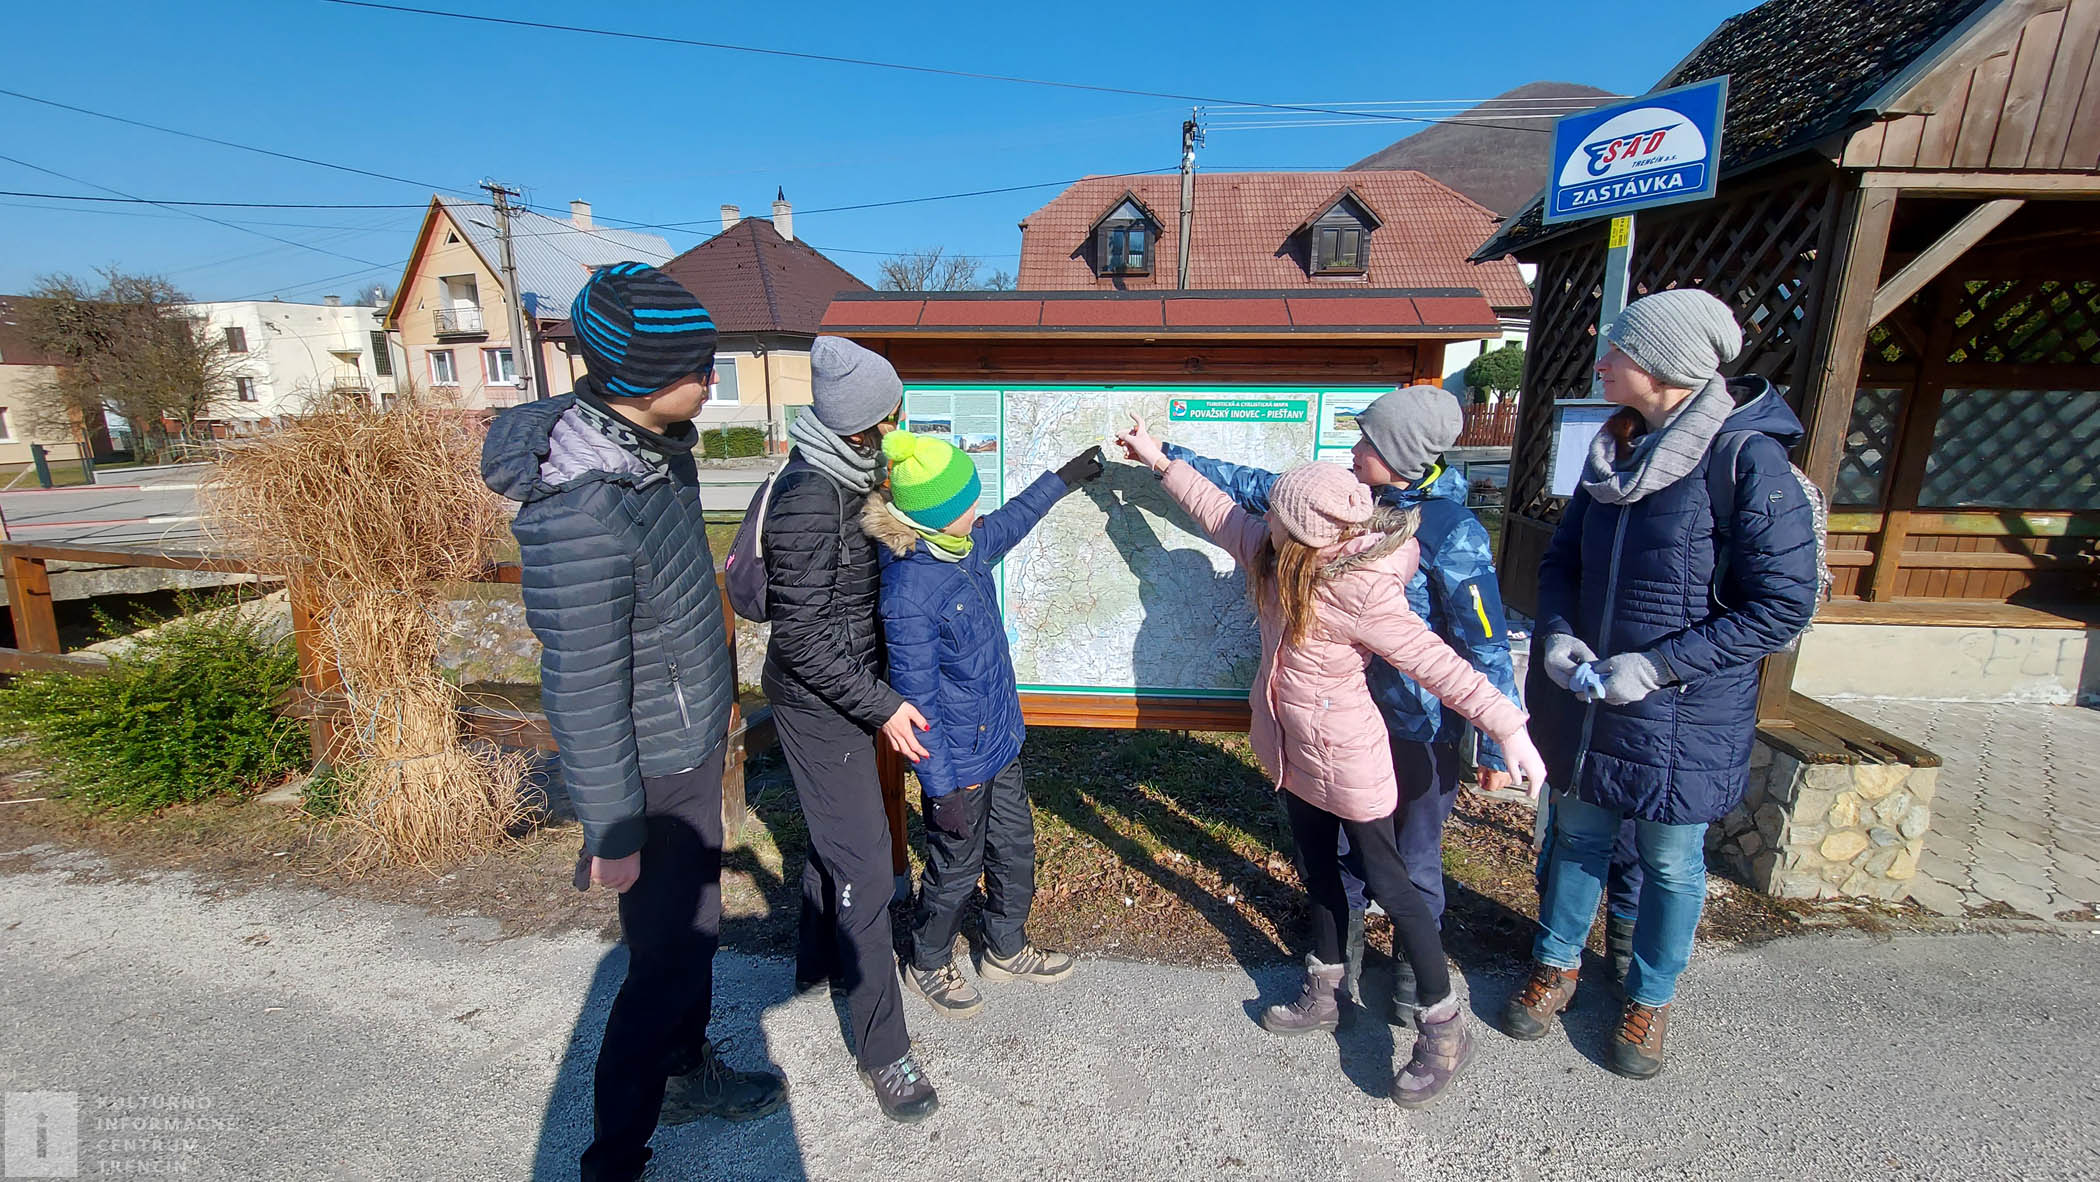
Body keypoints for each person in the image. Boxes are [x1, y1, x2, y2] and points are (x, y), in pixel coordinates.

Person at [1116, 422, 1549, 1109]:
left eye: (1276, 515)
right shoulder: (1273, 554)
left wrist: (1509, 728)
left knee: (1393, 887)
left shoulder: (1362, 589)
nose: (1264, 520)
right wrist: (1158, 461)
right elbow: (1218, 510)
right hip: (1292, 750)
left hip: (1348, 758)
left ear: (1307, 530)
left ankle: (1443, 1026)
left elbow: (1439, 664)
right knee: (1319, 870)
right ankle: (1325, 989)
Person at [481, 262, 784, 1182]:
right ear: (646, 378)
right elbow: (580, 680)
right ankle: (612, 1156)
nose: (712, 379)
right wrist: (611, 828)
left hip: (685, 739)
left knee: (693, 934)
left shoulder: (656, 445)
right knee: (661, 964)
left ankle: (686, 1071)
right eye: (700, 367)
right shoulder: (582, 509)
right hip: (648, 770)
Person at [1501, 288, 1818, 1079]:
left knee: (1671, 862)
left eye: (1620, 349)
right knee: (1577, 839)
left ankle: (1649, 998)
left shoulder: (1746, 460)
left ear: (1668, 364)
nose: (1603, 361)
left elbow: (1782, 605)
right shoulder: (1614, 451)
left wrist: (1658, 666)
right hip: (1589, 701)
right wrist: (1559, 636)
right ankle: (1557, 965)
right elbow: (1562, 564)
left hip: (1683, 713)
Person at [861, 430, 1107, 1018]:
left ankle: (1005, 946)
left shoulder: (960, 546)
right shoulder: (909, 591)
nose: (977, 511)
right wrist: (941, 789)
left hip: (999, 742)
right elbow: (917, 706)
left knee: (1015, 849)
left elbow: (1013, 519)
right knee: (956, 867)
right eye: (967, 503)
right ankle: (928, 959)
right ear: (935, 514)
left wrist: (1063, 479)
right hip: (958, 765)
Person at [761, 335, 942, 1123]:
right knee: (867, 869)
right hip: (821, 701)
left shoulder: (848, 476)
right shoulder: (810, 494)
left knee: (838, 840)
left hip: (849, 689)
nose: (899, 423)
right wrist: (882, 705)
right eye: (892, 412)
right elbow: (801, 637)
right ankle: (883, 1051)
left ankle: (818, 964)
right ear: (865, 421)